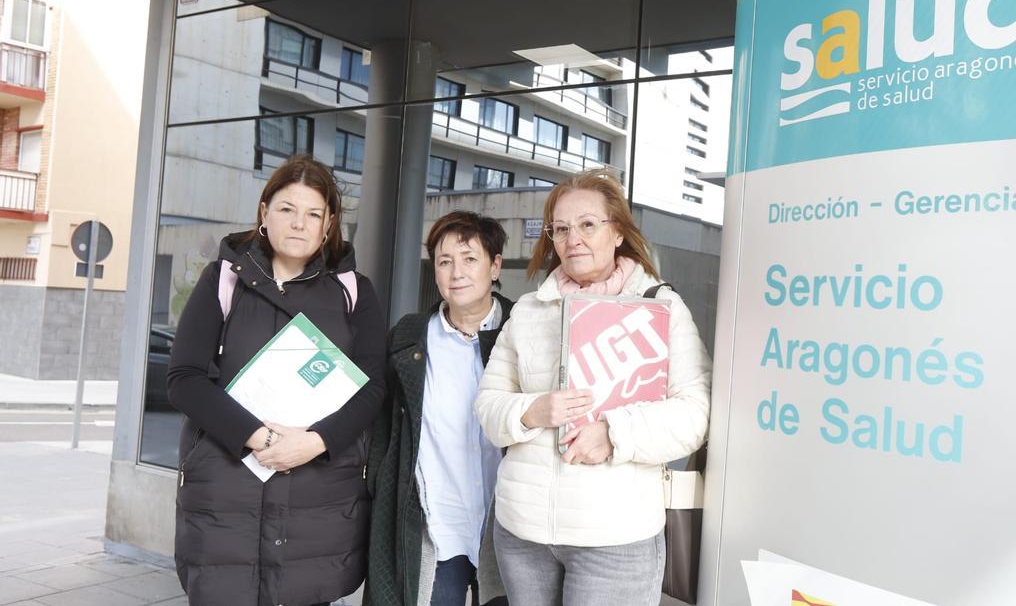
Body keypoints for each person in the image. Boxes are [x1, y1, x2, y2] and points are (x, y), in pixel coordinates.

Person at [474, 169, 711, 606]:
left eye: (587, 224)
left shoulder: (660, 307)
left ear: (617, 231)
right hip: (523, 533)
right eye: (560, 229)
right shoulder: (529, 309)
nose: (572, 239)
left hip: (615, 539)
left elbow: (694, 414)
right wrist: (532, 412)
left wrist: (614, 434)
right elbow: (488, 406)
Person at [167, 156, 386, 606]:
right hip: (227, 490)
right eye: (287, 209)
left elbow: (371, 388)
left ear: (328, 226)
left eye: (313, 214)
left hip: (318, 497)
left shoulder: (354, 291)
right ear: (264, 213)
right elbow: (184, 378)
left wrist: (315, 442)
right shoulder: (223, 280)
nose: (299, 224)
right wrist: (260, 437)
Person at [365, 211, 512, 606]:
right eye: (444, 261)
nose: (456, 272)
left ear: (495, 266)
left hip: (507, 528)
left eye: (469, 259)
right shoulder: (410, 336)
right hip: (436, 523)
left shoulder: (523, 330)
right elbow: (383, 427)